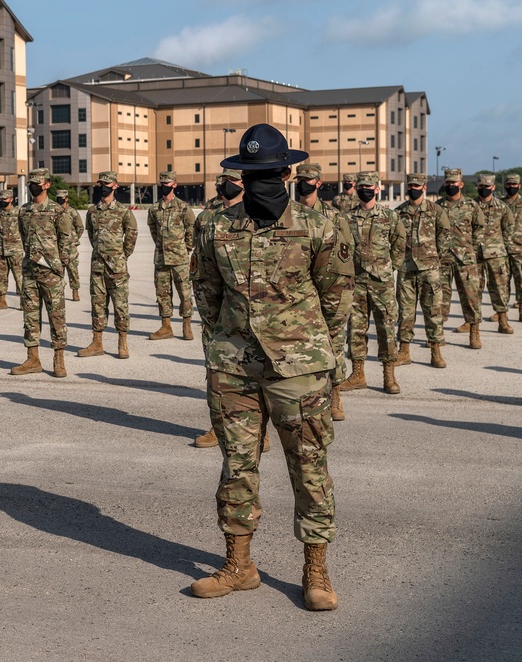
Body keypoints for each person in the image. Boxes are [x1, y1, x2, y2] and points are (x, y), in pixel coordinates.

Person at [190, 124, 351, 611]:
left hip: (299, 368)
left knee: (309, 467)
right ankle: (239, 566)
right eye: (250, 172)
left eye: (268, 172)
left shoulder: (321, 225)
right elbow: (207, 291)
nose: (259, 180)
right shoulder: (215, 225)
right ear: (239, 174)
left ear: (286, 172)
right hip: (234, 366)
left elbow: (337, 298)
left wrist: (324, 361)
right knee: (237, 465)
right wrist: (222, 343)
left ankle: (316, 570)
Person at [191, 168, 271, 452]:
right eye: (224, 180)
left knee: (256, 374)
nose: (228, 185)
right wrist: (208, 315)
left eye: (234, 180)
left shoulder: (257, 217)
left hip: (250, 312)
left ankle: (260, 431)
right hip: (217, 314)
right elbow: (201, 270)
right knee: (217, 375)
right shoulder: (206, 220)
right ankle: (218, 426)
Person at [294, 163, 355, 420]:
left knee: (333, 343)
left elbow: (345, 255)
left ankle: (336, 394)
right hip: (297, 291)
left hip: (328, 288)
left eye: (307, 179)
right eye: (300, 178)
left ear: (319, 183)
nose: (302, 183)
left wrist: (340, 294)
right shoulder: (288, 214)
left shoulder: (334, 217)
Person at [338, 171, 405, 395]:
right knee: (356, 328)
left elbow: (399, 242)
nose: (365, 190)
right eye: (361, 186)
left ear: (377, 189)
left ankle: (389, 374)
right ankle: (358, 374)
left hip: (381, 282)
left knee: (386, 327)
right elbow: (342, 247)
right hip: (356, 281)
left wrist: (389, 268)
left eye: (369, 186)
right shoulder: (347, 217)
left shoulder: (389, 216)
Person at [9, 168, 72, 378]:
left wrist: (60, 266)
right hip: (29, 272)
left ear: (46, 185)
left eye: (37, 182)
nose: (32, 186)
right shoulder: (24, 211)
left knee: (57, 316)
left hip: (51, 273)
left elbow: (66, 241)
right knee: (30, 317)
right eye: (31, 182)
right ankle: (33, 358)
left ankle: (59, 358)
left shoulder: (57, 211)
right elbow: (22, 234)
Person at [77, 171, 137, 359]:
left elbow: (132, 234)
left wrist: (122, 255)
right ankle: (97, 342)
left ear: (115, 186)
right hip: (97, 266)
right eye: (100, 184)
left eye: (107, 184)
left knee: (120, 305)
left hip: (117, 268)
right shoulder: (92, 211)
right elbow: (90, 234)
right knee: (97, 305)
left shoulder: (123, 211)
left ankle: (122, 342)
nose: (103, 187)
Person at [394, 173, 451, 368]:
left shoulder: (436, 211)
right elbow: (393, 239)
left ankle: (436, 350)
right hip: (406, 269)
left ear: (424, 187)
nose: (413, 189)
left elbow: (445, 235)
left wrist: (436, 257)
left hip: (430, 269)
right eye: (410, 186)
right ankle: (404, 350)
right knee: (405, 312)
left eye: (417, 186)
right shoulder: (398, 212)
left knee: (433, 310)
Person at [436, 168, 484, 349]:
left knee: (471, 296)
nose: (450, 185)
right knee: (439, 297)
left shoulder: (471, 206)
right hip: (443, 259)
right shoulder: (438, 206)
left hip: (466, 259)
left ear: (461, 184)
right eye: (448, 182)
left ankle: (474, 333)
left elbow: (479, 228)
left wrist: (471, 247)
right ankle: (437, 334)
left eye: (454, 182)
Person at [146, 170, 196, 342]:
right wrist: (161, 247)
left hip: (180, 258)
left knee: (185, 292)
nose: (164, 187)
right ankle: (166, 326)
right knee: (162, 293)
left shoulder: (183, 208)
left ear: (174, 184)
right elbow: (153, 230)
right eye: (162, 184)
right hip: (161, 258)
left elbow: (191, 229)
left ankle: (186, 324)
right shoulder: (154, 208)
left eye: (167, 184)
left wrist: (186, 248)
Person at [474, 174, 514, 333]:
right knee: (473, 291)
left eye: (487, 187)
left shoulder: (502, 207)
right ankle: (472, 324)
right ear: (477, 187)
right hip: (475, 256)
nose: (484, 189)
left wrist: (501, 246)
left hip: (496, 255)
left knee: (499, 289)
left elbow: (509, 228)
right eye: (481, 186)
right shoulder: (471, 206)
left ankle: (503, 321)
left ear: (494, 187)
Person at [0, 188, 23, 310]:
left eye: (5, 198)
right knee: (1, 277)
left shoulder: (19, 213)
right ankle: (1, 301)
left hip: (16, 251)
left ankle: (24, 301)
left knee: (20, 277)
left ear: (11, 199)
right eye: (1, 199)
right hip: (1, 250)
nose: (3, 200)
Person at [57, 188, 83, 302]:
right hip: (58, 247)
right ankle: (59, 291)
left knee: (73, 270)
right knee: (58, 271)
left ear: (66, 199)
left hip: (71, 247)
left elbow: (80, 227)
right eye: (58, 199)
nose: (60, 201)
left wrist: (74, 238)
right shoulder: (54, 211)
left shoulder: (73, 212)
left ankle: (75, 291)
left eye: (62, 199)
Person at [503, 173, 522, 320]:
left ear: (519, 186)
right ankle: (502, 313)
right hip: (502, 249)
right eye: (509, 184)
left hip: (520, 249)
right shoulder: (500, 204)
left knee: (520, 280)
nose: (511, 187)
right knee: (502, 282)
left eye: (514, 184)